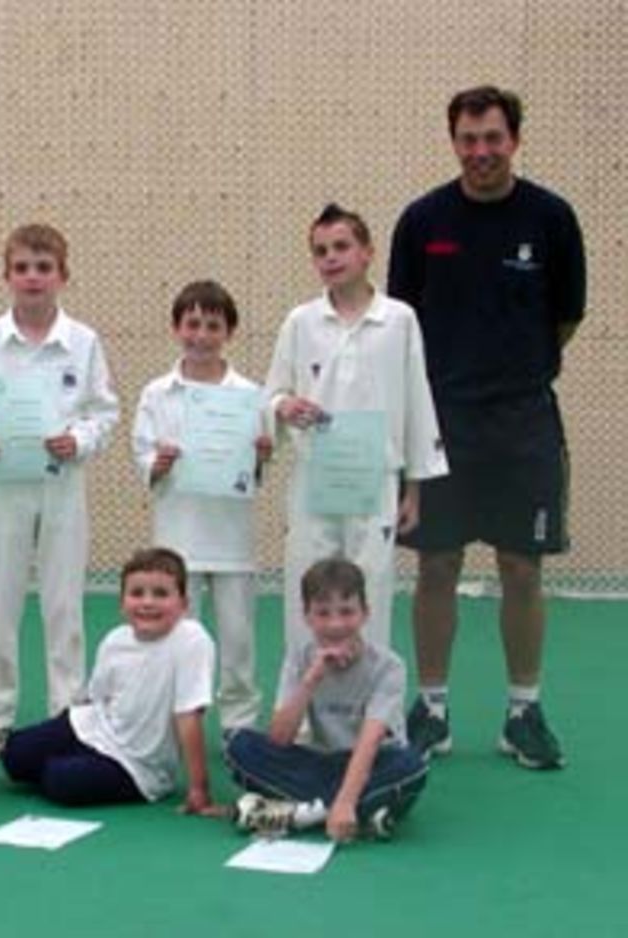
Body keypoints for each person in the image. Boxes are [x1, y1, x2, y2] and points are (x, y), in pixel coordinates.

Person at [388, 86, 585, 770]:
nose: (480, 152)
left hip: (522, 424)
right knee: (435, 565)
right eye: (468, 140)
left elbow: (567, 317)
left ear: (514, 140)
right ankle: (433, 710)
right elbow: (402, 326)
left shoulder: (552, 218)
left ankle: (523, 711)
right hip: (440, 424)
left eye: (492, 138)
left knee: (521, 567)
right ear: (454, 142)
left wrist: (517, 370)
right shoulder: (422, 221)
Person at [0, 223, 119, 759]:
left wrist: (78, 440)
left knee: (63, 604)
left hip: (61, 486)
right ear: (7, 276)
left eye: (43, 268)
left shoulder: (83, 342)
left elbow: (104, 409)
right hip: (5, 485)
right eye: (23, 268)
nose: (33, 278)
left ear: (62, 276)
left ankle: (66, 713)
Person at [265, 204, 446, 659]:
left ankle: (370, 706)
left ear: (367, 252)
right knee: (308, 583)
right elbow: (271, 395)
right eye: (321, 250)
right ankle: (306, 704)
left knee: (372, 586)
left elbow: (417, 403)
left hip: (375, 478)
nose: (331, 257)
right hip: (314, 477)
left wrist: (414, 489)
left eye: (342, 246)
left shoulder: (399, 320)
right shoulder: (299, 321)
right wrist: (284, 406)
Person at [132, 280, 271, 732]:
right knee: (176, 639)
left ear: (229, 331)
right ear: (176, 328)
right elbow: (142, 457)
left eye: (213, 325)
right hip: (178, 538)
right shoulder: (157, 393)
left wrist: (261, 454)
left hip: (232, 539)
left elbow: (256, 472)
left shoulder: (250, 395)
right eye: (192, 324)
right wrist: (160, 462)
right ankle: (175, 721)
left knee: (237, 639)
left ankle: (240, 724)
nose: (202, 335)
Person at [1, 548, 224, 813]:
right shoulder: (115, 640)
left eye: (161, 594)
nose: (147, 602)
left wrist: (199, 790)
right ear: (122, 602)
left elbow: (189, 716)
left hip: (137, 766)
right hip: (94, 727)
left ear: (184, 604)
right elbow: (95, 700)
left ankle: (73, 766)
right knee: (13, 754)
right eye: (137, 593)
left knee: (61, 780)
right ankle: (74, 760)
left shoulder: (192, 640)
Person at [225, 558, 427, 842]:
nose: (336, 624)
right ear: (307, 616)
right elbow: (280, 738)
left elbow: (370, 743)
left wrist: (345, 801)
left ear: (365, 613)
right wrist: (311, 679)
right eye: (323, 613)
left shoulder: (389, 666)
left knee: (411, 766)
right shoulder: (299, 658)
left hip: (373, 764)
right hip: (321, 762)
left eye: (347, 612)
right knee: (240, 745)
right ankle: (364, 813)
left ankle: (298, 814)